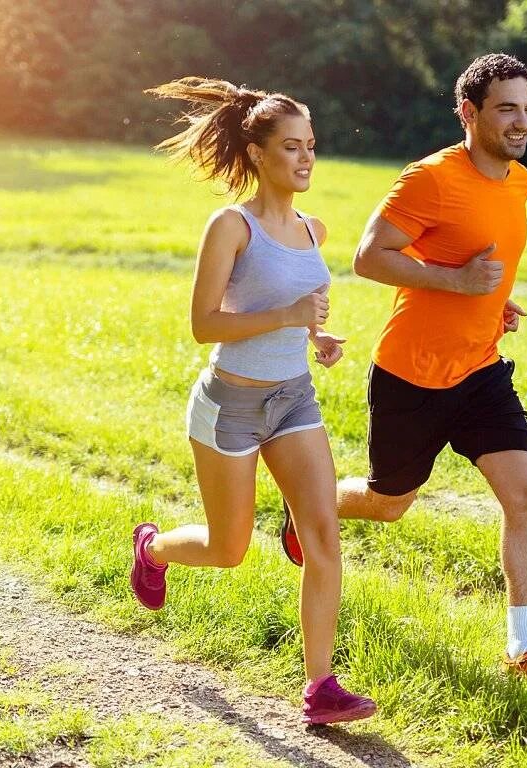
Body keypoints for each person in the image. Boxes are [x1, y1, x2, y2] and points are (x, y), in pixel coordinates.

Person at [281, 54, 527, 699]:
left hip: (479, 370)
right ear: (468, 113)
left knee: (526, 496)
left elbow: (475, 261)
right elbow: (368, 257)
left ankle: (523, 649)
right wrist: (457, 283)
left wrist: (490, 303)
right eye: (507, 108)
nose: (522, 121)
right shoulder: (429, 179)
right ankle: (309, 506)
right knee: (390, 504)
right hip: (411, 375)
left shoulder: (520, 182)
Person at [130, 76, 377, 725]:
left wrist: (318, 337)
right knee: (227, 548)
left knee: (324, 535)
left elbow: (305, 309)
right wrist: (288, 315)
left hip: (293, 400)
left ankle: (321, 686)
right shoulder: (231, 226)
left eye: (312, 146)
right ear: (260, 153)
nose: (306, 159)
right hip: (230, 405)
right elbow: (205, 324)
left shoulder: (312, 230)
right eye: (292, 146)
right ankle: (151, 549)